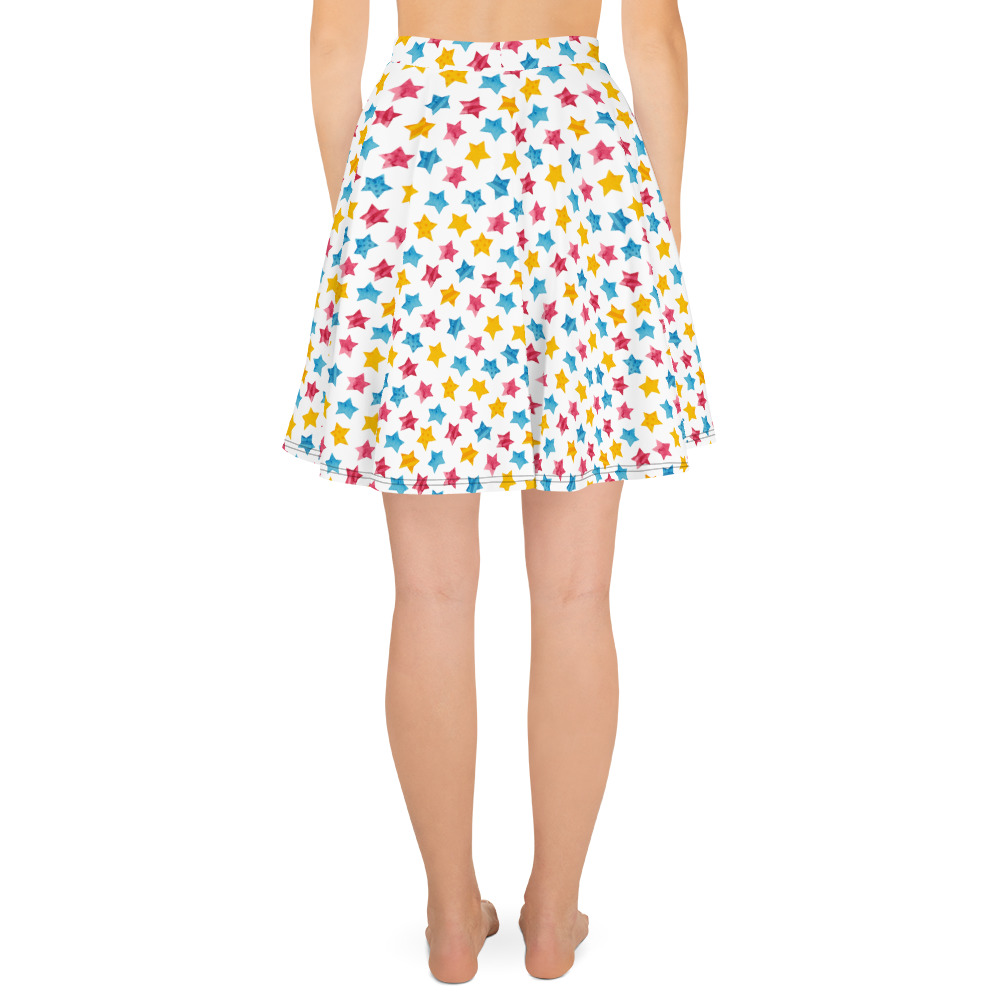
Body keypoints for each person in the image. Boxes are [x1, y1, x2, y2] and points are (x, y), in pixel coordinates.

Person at [281, 0, 716, 983]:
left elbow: (333, 41)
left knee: (430, 594)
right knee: (576, 594)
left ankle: (448, 918)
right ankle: (553, 917)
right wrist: (664, 214)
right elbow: (654, 37)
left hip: (417, 158)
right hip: (579, 163)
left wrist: (363, 210)